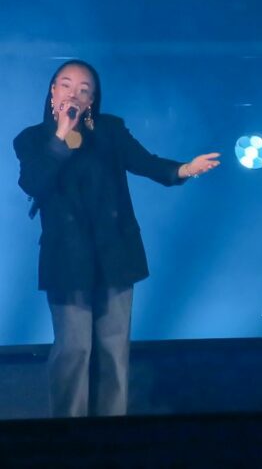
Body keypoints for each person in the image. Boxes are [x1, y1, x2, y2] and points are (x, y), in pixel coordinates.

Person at [13, 60, 220, 417]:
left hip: (115, 254)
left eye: (84, 89)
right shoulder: (32, 139)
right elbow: (34, 183)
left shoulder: (110, 131)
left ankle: (112, 432)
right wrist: (61, 135)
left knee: (113, 349)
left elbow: (147, 163)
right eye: (65, 85)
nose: (73, 93)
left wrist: (184, 169)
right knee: (73, 347)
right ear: (52, 92)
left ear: (92, 99)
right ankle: (68, 432)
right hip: (66, 259)